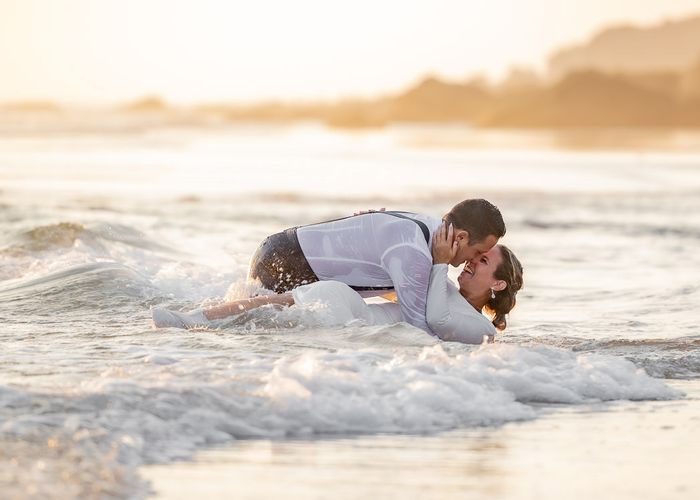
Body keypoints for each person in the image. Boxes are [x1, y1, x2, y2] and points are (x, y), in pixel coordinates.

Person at [151, 224, 524, 345]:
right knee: (263, 314)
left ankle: (192, 321)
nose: (473, 260)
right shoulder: (442, 288)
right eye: (479, 254)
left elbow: (436, 322)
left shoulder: (482, 330)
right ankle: (190, 320)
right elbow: (428, 317)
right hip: (348, 314)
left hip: (352, 326)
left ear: (499, 283)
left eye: (484, 260)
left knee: (262, 318)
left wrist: (438, 267)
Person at [244, 198, 506, 333]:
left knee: (252, 325)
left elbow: (404, 295)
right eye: (478, 252)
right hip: (286, 264)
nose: (472, 260)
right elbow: (416, 328)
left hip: (282, 252)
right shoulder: (414, 250)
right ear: (460, 238)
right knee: (248, 327)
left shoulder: (424, 229)